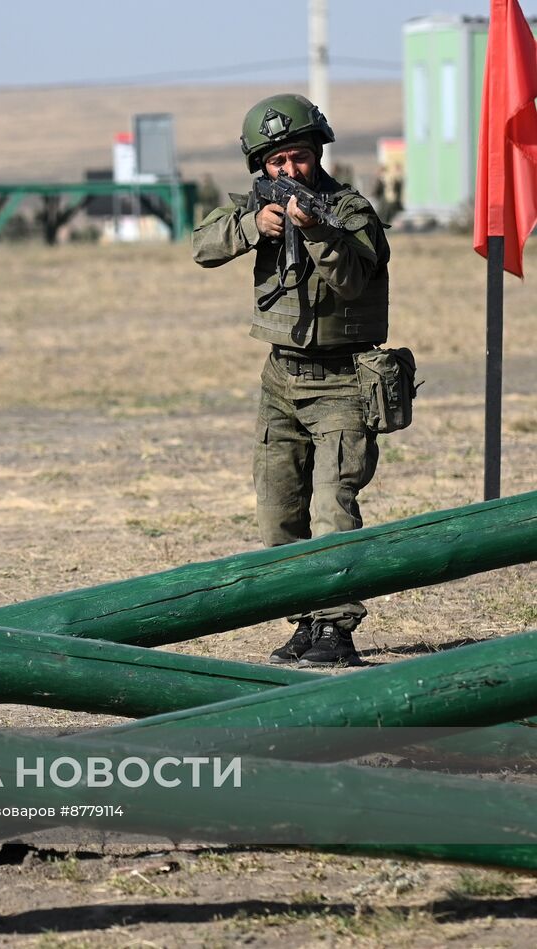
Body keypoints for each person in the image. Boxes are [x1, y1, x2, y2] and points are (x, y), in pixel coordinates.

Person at [192, 93, 391, 668]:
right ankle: (305, 616)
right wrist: (254, 227)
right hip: (281, 376)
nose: (288, 172)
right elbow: (202, 247)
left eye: (298, 158)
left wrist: (318, 232)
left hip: (343, 380)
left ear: (317, 154)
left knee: (333, 507)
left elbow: (354, 281)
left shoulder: (351, 213)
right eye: (276, 163)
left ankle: (338, 628)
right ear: (261, 166)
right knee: (277, 508)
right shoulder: (256, 209)